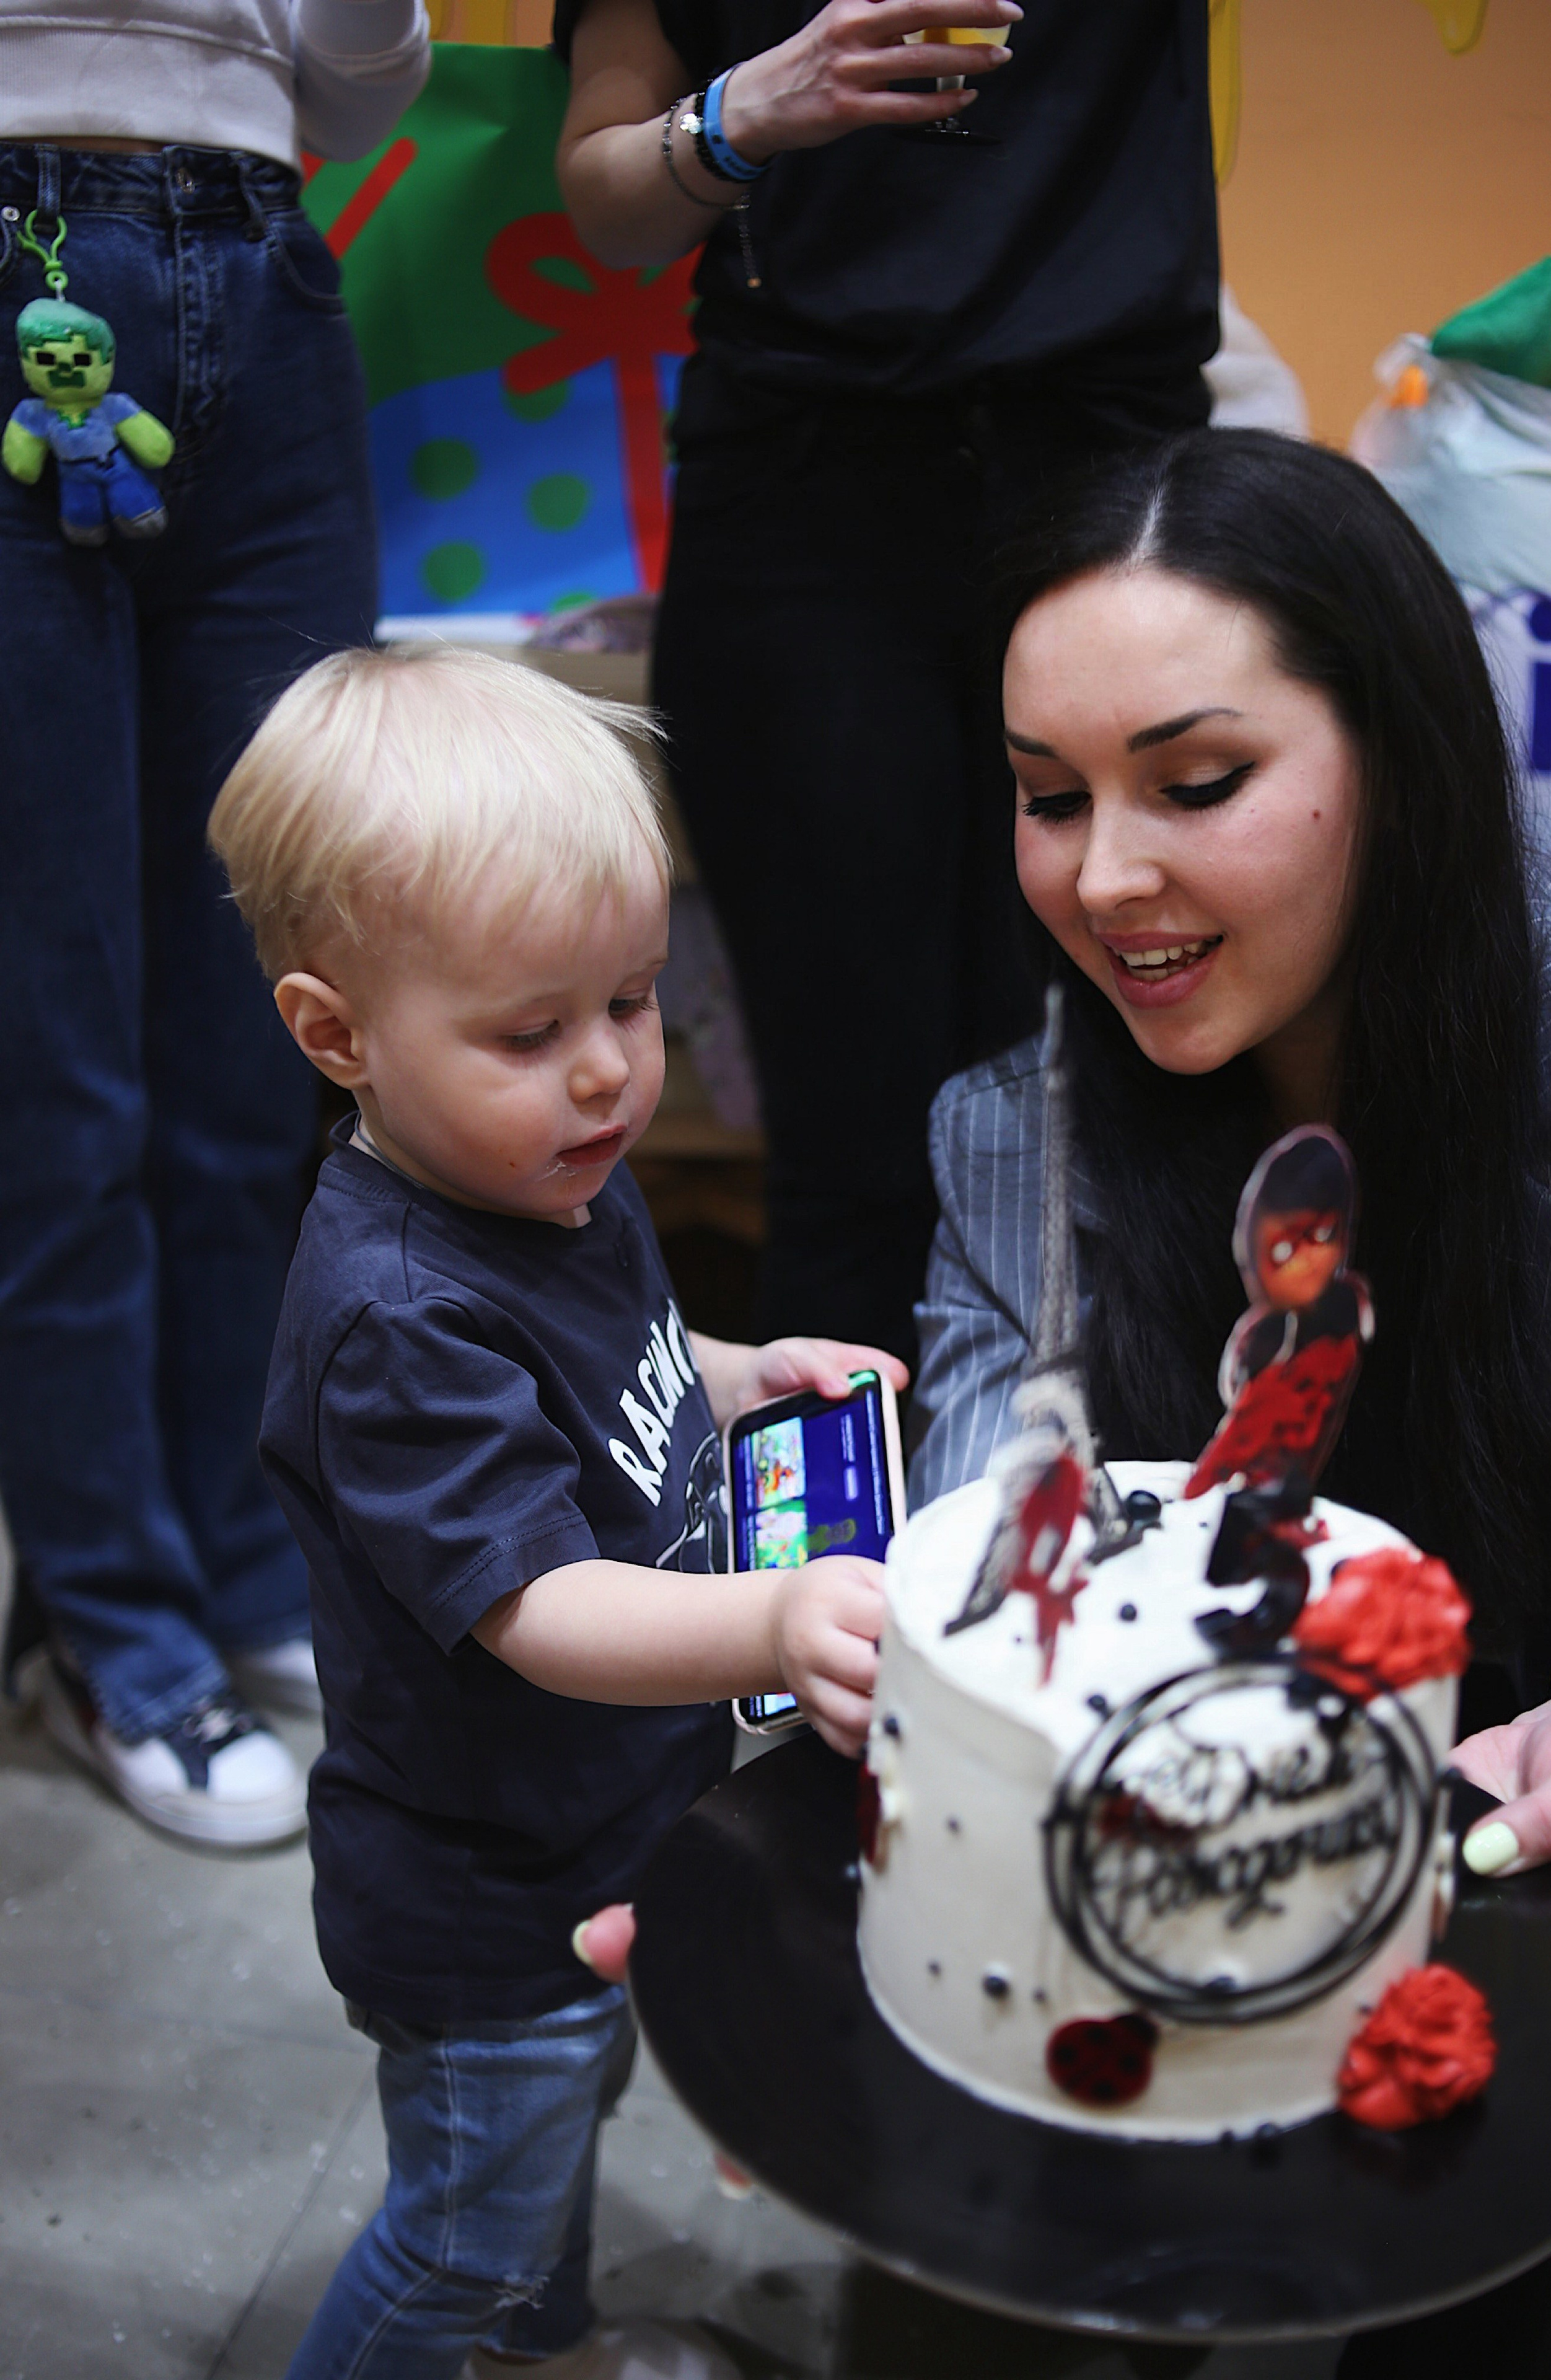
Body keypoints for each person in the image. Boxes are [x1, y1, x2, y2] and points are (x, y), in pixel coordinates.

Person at [907, 426, 1551, 2378]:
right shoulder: (1014, 1151)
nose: (1107, 878)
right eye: (1047, 798)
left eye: (1198, 783)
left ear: (1403, 754)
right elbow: (982, 1550)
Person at [207, 644, 905, 2380]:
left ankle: (552, 2345)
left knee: (557, 2137)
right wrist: (766, 1623)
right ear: (335, 1033)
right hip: (483, 1891)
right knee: (462, 2231)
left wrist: (740, 1375)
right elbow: (539, 1607)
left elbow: (625, 1372)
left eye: (632, 1001)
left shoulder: (544, 1176)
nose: (606, 1072)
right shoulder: (398, 1318)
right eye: (534, 1030)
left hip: (603, 1834)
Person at [553, 0, 1219, 1365]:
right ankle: (822, 1576)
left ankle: (1111, 1554)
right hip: (811, 492)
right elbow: (605, 198)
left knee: (1121, 1108)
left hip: (1104, 475)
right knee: (855, 1138)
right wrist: (743, 111)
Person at [0, 0, 431, 1847]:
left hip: (264, 250)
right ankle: (109, 1622)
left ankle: (239, 1559)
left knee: (266, 1026)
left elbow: (359, 80)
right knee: (59, 1040)